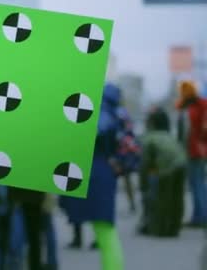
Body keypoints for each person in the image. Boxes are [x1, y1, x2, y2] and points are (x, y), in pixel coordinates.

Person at [58, 83, 125, 270]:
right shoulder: (116, 112)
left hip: (90, 173)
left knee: (104, 231)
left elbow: (90, 132)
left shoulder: (98, 110)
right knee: (106, 232)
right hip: (103, 174)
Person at [138, 106, 186, 237]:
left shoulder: (149, 138)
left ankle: (161, 230)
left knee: (163, 199)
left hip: (166, 167)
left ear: (151, 124)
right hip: (182, 163)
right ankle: (174, 228)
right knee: (177, 198)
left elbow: (145, 163)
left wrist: (143, 185)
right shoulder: (168, 135)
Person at [175, 80, 207, 227]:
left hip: (197, 150)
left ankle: (200, 217)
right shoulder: (191, 105)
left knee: (197, 183)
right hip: (194, 149)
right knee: (197, 183)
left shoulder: (199, 106)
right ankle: (198, 216)